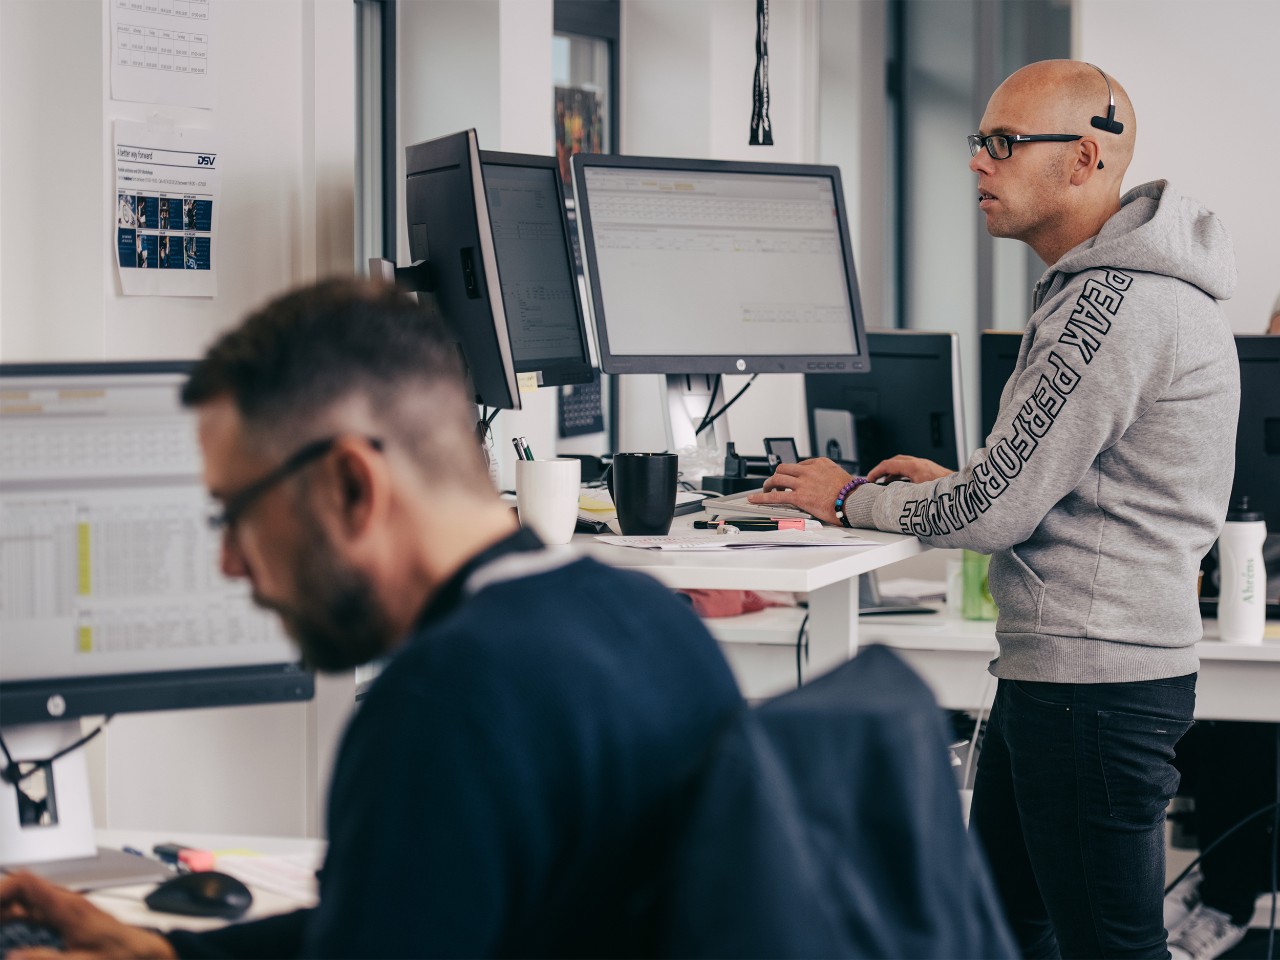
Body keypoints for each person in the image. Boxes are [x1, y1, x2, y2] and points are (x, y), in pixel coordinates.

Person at [0, 278, 742, 957]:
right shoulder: (645, 619)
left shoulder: (443, 702)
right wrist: (168, 953)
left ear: (352, 486)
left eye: (237, 514)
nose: (229, 561)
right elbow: (402, 922)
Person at [752, 59, 1240, 957]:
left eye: (1004, 144)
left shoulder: (1113, 304)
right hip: (1072, 673)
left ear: (1085, 160)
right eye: (979, 140)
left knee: (1107, 946)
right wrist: (953, 485)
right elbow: (1057, 488)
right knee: (1008, 934)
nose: (979, 162)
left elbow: (994, 512)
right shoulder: (1120, 290)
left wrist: (854, 496)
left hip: (1091, 685)